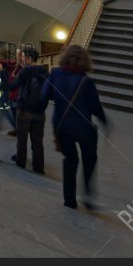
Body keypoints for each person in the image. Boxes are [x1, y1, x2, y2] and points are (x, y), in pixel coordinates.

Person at [43, 45, 108, 209]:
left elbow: (45, 95)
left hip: (62, 127)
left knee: (70, 161)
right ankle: (87, 196)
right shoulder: (86, 81)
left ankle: (69, 199)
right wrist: (105, 121)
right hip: (84, 129)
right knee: (89, 160)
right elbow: (95, 108)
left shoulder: (55, 74)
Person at [0, 48, 50, 174]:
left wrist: (2, 73)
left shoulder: (26, 71)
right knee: (37, 142)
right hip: (40, 113)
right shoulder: (45, 71)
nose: (20, 59)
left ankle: (20, 165)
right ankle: (38, 168)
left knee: (22, 140)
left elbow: (11, 87)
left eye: (22, 57)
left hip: (24, 111)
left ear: (29, 59)